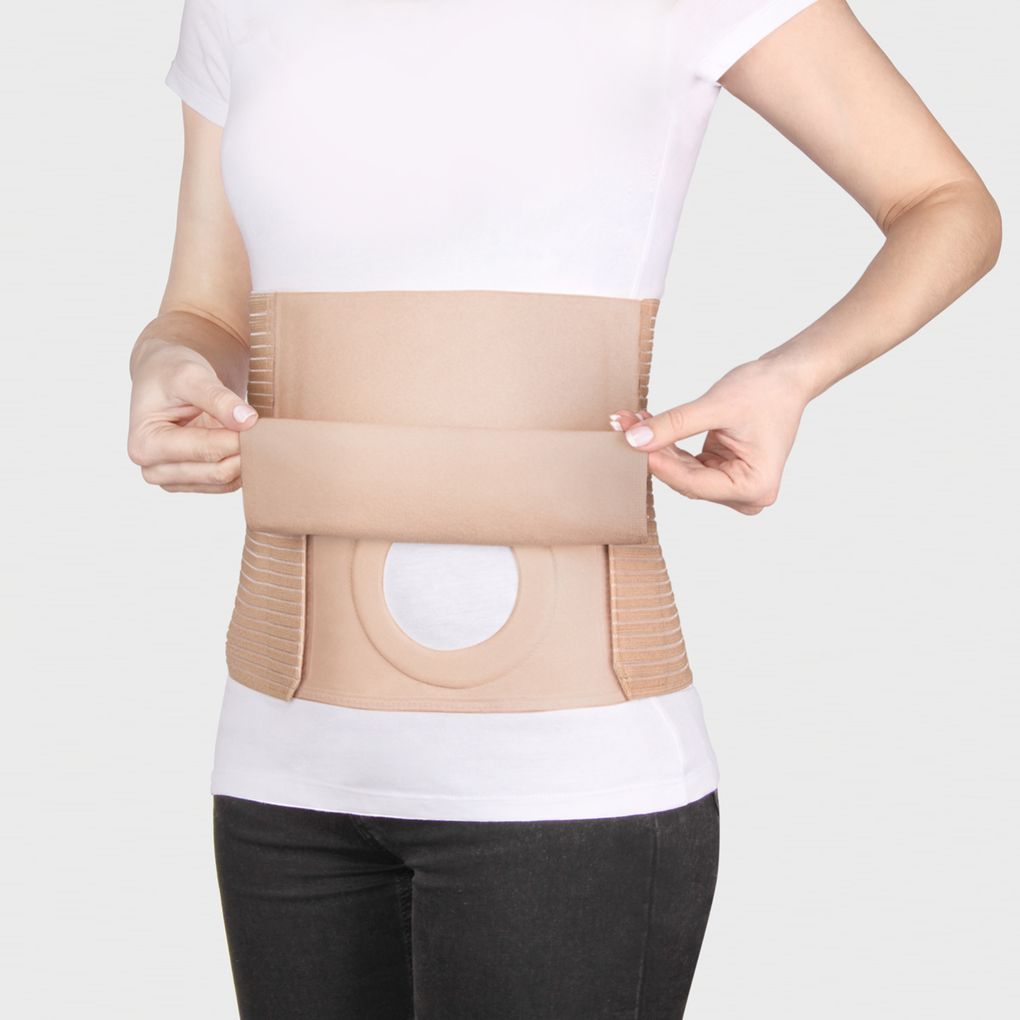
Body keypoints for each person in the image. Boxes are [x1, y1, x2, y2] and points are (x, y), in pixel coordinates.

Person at [127, 0, 1000, 1017]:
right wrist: (166, 364)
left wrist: (788, 376)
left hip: (572, 783)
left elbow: (948, 204)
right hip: (284, 774)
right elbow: (203, 308)